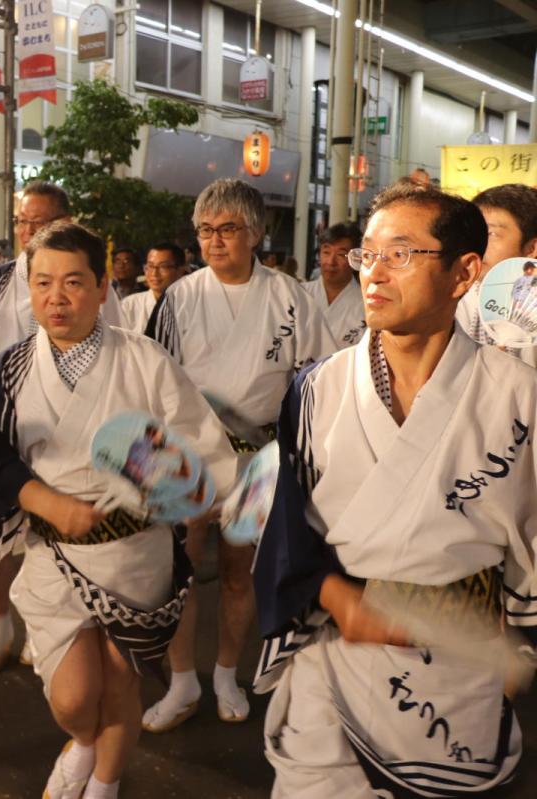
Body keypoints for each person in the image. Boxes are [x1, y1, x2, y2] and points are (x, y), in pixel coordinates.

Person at [253, 181, 537, 797]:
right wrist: (336, 593)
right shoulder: (317, 387)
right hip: (336, 657)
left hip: (459, 668)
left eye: (402, 254)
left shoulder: (518, 394)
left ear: (466, 273)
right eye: (368, 254)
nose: (374, 273)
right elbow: (286, 523)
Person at [0, 220, 240, 799]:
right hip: (56, 549)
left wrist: (164, 478)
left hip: (135, 553)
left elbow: (205, 452)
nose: (56, 298)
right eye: (42, 283)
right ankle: (83, 742)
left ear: (101, 288)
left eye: (73, 282)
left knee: (121, 685)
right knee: (72, 697)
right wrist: (46, 501)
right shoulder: (12, 371)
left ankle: (105, 784)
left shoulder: (144, 360)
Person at [143, 178, 337, 732]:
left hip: (260, 454)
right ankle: (182, 682)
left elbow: (317, 380)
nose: (214, 241)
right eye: (205, 230)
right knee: (176, 570)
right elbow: (155, 378)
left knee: (237, 572)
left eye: (227, 229)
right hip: (185, 453)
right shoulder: (179, 296)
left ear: (256, 233)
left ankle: (227, 670)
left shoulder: (292, 296)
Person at [0, 180, 124, 677]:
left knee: (60, 528)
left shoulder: (92, 282)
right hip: (9, 420)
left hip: (75, 428)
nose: (29, 232)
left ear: (66, 225)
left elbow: (117, 351)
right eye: (23, 222)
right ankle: (0, 619)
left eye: (40, 223)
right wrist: (12, 374)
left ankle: (47, 625)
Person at [455, 183, 537, 368]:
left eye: (491, 233)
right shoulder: (455, 297)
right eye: (474, 232)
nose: (477, 243)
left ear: (531, 248)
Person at [303, 223, 366, 348]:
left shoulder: (365, 303)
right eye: (326, 252)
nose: (331, 262)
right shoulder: (301, 293)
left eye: (341, 255)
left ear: (356, 259)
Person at [121, 242, 187, 333]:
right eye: (150, 266)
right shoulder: (129, 305)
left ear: (180, 271)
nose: (154, 273)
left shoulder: (190, 305)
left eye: (163, 266)